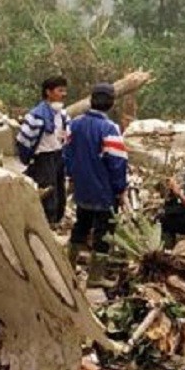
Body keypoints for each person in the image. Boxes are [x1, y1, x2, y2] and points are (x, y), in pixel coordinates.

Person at [63, 82, 128, 285]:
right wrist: (120, 188)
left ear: (91, 100)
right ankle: (95, 276)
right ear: (111, 103)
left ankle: (68, 266)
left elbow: (66, 154)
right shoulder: (109, 128)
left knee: (80, 225)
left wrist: (73, 176)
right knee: (104, 232)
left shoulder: (75, 123)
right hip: (104, 189)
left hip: (82, 187)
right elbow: (117, 162)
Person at [16, 76, 70, 225]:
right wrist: (28, 158)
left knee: (59, 189)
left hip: (58, 155)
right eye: (60, 90)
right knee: (48, 191)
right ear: (49, 92)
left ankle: (58, 219)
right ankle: (48, 222)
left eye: (64, 90)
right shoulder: (36, 116)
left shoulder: (62, 114)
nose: (63, 94)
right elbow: (24, 140)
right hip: (44, 157)